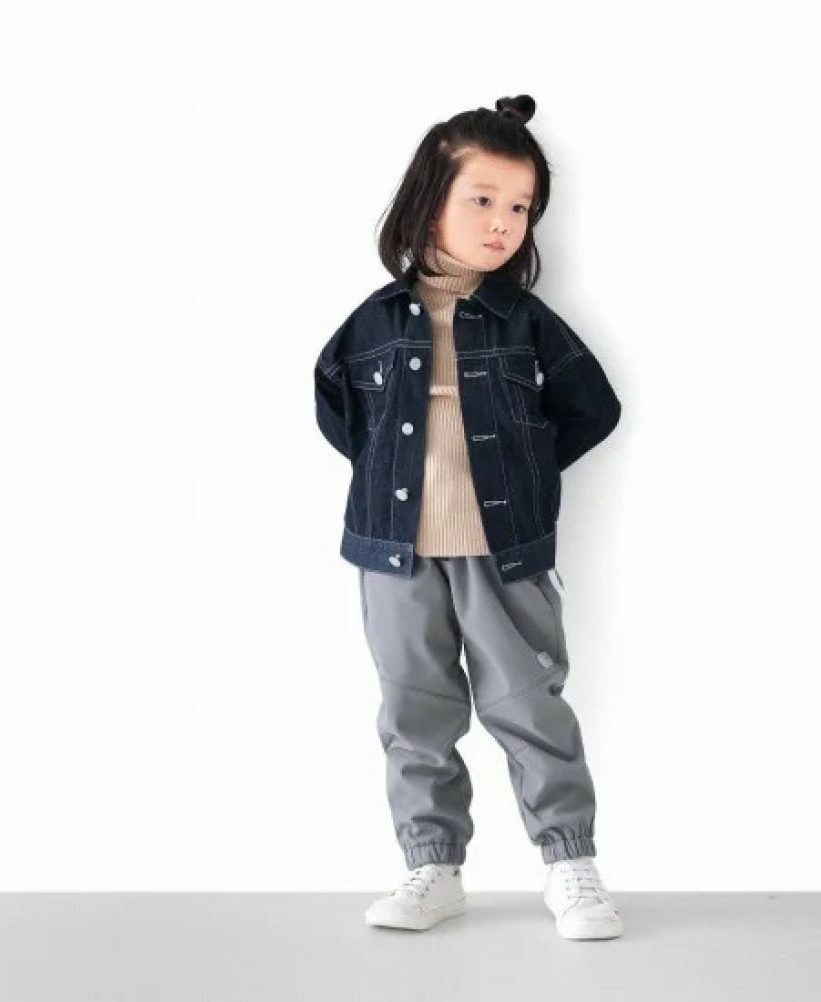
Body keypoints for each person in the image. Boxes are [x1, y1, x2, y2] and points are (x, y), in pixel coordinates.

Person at [313, 94, 624, 940]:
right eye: (482, 199)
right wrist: (389, 481)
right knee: (413, 713)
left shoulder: (524, 322)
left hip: (504, 551)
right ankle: (432, 866)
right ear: (429, 205)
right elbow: (338, 410)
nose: (502, 223)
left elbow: (593, 408)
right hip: (393, 556)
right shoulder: (373, 324)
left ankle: (569, 863)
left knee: (530, 706)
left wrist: (521, 475)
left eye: (520, 208)